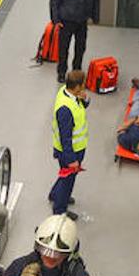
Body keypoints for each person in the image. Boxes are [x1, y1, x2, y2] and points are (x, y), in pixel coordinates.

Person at [49, 0, 100, 83]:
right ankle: (61, 72)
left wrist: (95, 16)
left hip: (81, 21)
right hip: (66, 20)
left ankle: (76, 71)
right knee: (63, 49)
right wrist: (56, 20)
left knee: (80, 48)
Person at [49, 71, 90, 215]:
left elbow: (80, 108)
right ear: (77, 87)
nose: (85, 86)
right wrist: (72, 159)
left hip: (74, 149)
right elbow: (65, 138)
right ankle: (60, 210)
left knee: (64, 175)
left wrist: (85, 100)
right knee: (68, 180)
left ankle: (54, 194)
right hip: (71, 151)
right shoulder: (65, 109)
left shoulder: (65, 92)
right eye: (83, 84)